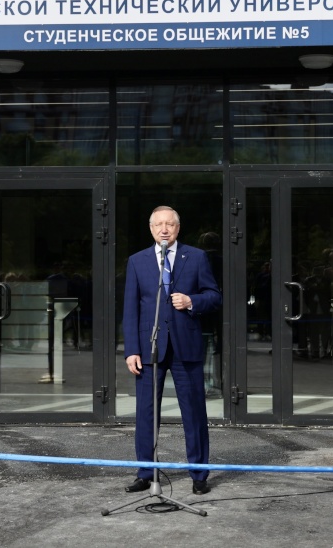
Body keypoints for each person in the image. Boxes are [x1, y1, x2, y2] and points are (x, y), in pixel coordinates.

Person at [122, 206, 222, 495]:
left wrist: (191, 301)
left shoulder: (197, 257)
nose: (164, 229)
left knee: (194, 413)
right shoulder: (137, 261)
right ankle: (146, 472)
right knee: (146, 414)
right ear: (151, 229)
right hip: (149, 348)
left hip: (186, 347)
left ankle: (199, 475)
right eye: (159, 225)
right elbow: (130, 309)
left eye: (170, 224)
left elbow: (214, 296)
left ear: (178, 228)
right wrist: (131, 350)